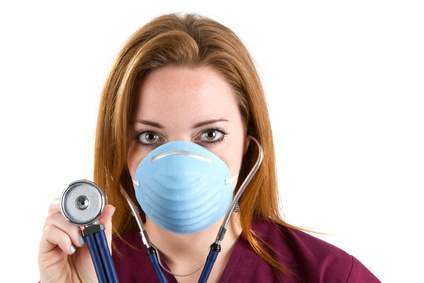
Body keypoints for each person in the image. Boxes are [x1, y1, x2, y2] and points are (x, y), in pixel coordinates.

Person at [38, 13, 380, 283]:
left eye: (210, 135)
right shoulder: (90, 272)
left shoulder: (327, 275)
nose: (180, 166)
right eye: (150, 138)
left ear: (248, 143)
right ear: (118, 148)